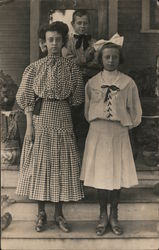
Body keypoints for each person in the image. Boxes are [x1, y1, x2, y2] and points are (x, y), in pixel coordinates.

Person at [16, 21, 84, 233]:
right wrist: (29, 127)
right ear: (43, 43)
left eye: (58, 40)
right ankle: (41, 213)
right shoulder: (34, 68)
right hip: (40, 117)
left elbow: (77, 98)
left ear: (64, 42)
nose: (54, 44)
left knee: (61, 164)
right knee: (41, 163)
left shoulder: (72, 69)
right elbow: (26, 98)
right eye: (50, 40)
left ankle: (59, 214)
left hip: (63, 117)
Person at [80, 33, 142, 236]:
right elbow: (87, 109)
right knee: (100, 176)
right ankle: (102, 215)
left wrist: (125, 126)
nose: (111, 60)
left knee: (116, 175)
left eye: (114, 57)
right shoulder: (92, 83)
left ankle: (114, 214)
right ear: (101, 59)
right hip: (98, 133)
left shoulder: (128, 83)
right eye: (107, 57)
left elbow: (135, 110)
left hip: (118, 133)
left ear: (119, 58)